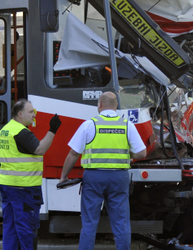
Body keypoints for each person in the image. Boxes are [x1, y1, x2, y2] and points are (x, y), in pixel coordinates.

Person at [59, 91, 147, 250]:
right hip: (119, 177)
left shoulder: (89, 124)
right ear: (116, 106)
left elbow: (73, 153)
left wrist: (63, 177)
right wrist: (127, 153)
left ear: (100, 104)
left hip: (94, 178)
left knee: (89, 223)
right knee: (121, 222)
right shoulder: (127, 125)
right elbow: (142, 152)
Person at [0, 99, 61, 250]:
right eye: (31, 112)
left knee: (10, 227)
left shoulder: (5, 130)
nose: (34, 115)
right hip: (24, 188)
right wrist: (52, 130)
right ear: (20, 114)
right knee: (27, 228)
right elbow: (40, 149)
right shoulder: (21, 132)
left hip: (7, 184)